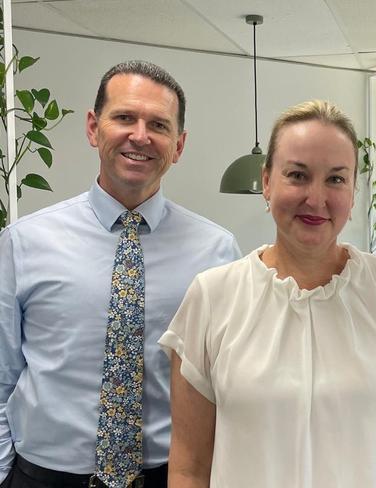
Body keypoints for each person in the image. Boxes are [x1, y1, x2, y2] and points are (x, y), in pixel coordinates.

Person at [159, 100, 376, 488]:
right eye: (297, 175)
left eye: (335, 179)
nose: (316, 199)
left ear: (353, 189)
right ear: (266, 182)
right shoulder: (212, 297)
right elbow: (189, 467)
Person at [0, 60, 240, 488]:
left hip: (171, 477)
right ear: (93, 128)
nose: (140, 136)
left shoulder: (217, 251)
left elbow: (229, 385)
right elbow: (1, 375)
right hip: (45, 478)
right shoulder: (23, 242)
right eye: (125, 117)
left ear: (179, 145)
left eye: (159, 125)